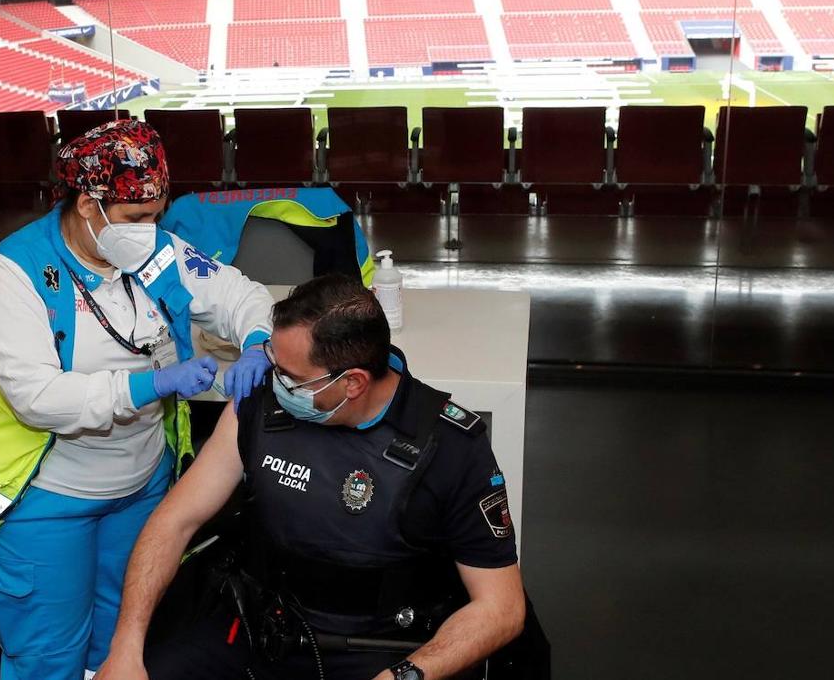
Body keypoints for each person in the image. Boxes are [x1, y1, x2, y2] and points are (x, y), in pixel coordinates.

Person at [0, 120, 276, 680]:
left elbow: (238, 293)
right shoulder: (19, 271)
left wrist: (255, 342)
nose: (150, 232)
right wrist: (150, 385)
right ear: (88, 204)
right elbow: (37, 397)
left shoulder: (153, 253)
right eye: (135, 220)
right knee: (47, 660)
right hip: (46, 500)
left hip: (138, 491)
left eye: (156, 217)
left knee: (119, 651)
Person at [97, 274, 527, 680]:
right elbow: (175, 521)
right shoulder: (258, 408)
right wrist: (125, 647)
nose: (276, 382)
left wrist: (407, 674)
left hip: (382, 647)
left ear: (353, 382)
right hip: (258, 628)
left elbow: (502, 607)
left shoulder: (450, 447)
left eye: (292, 377)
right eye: (273, 362)